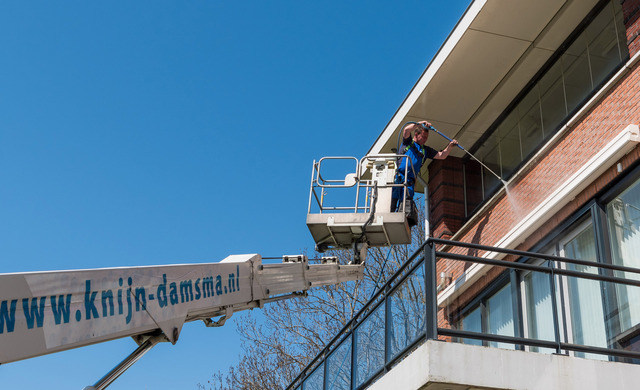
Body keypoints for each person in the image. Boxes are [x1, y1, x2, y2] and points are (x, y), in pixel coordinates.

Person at [391, 121, 458, 214]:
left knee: (405, 207)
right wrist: (420, 123)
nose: (425, 139)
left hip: (409, 182)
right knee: (391, 203)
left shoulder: (425, 150)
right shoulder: (408, 142)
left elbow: (442, 155)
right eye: (423, 137)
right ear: (416, 134)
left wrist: (450, 146)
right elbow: (406, 130)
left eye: (426, 137)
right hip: (399, 178)